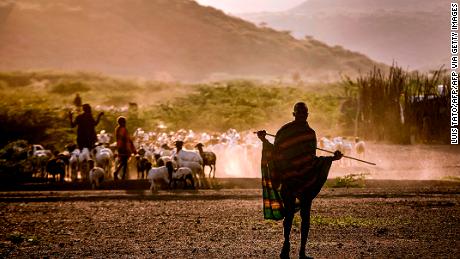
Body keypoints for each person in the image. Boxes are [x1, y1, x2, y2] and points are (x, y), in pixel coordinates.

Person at [257, 102, 343, 259]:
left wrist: (333, 158)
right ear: (295, 114)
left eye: (304, 114)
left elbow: (303, 158)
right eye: (301, 114)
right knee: (298, 214)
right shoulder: (303, 133)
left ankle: (295, 250)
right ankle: (292, 249)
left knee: (297, 214)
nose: (303, 116)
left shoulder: (296, 132)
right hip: (301, 180)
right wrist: (331, 159)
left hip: (293, 179)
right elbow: (308, 160)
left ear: (301, 114)